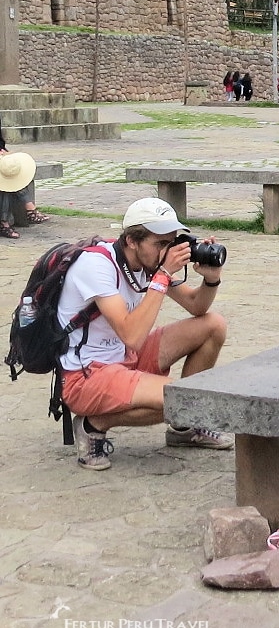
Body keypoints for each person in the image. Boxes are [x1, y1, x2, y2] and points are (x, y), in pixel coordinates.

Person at [58, 197, 233, 470]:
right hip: (86, 375)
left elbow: (197, 306)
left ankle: (185, 427)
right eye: (160, 243)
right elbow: (133, 336)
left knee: (213, 325)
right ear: (131, 240)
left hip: (124, 357)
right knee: (183, 398)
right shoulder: (97, 265)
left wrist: (211, 278)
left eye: (171, 242)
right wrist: (163, 275)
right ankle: (92, 424)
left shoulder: (149, 261)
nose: (167, 250)